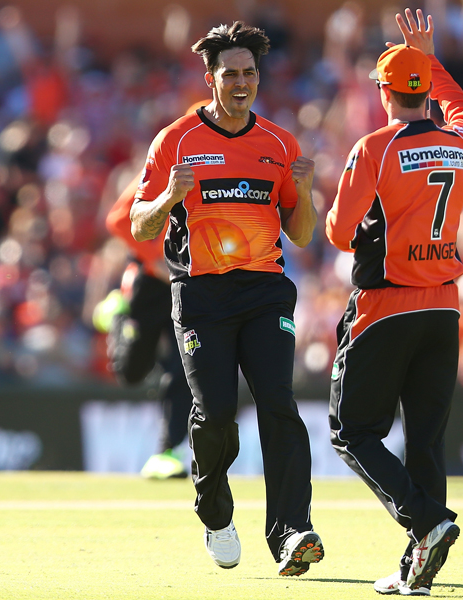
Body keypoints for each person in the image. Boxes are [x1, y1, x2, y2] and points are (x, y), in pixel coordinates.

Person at [129, 21, 323, 576]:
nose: (242, 82)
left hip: (264, 291)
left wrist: (304, 193)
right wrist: (170, 194)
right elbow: (142, 228)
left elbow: (302, 232)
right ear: (210, 78)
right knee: (214, 417)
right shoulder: (176, 140)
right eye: (231, 73)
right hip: (201, 294)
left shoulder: (280, 144)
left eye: (250, 72)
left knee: (279, 405)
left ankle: (292, 532)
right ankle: (214, 512)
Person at [326, 9, 463, 595]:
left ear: (386, 93)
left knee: (351, 431)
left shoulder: (372, 148)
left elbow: (340, 234)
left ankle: (427, 524)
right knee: (425, 440)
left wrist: (371, 221)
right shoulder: (460, 144)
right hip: (444, 306)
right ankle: (420, 564)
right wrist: (430, 57)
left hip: (385, 305)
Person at [94, 171, 192, 480]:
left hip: (187, 286)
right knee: (131, 370)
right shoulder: (168, 164)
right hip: (150, 284)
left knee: (185, 368)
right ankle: (118, 312)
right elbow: (119, 219)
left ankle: (168, 452)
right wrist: (158, 261)